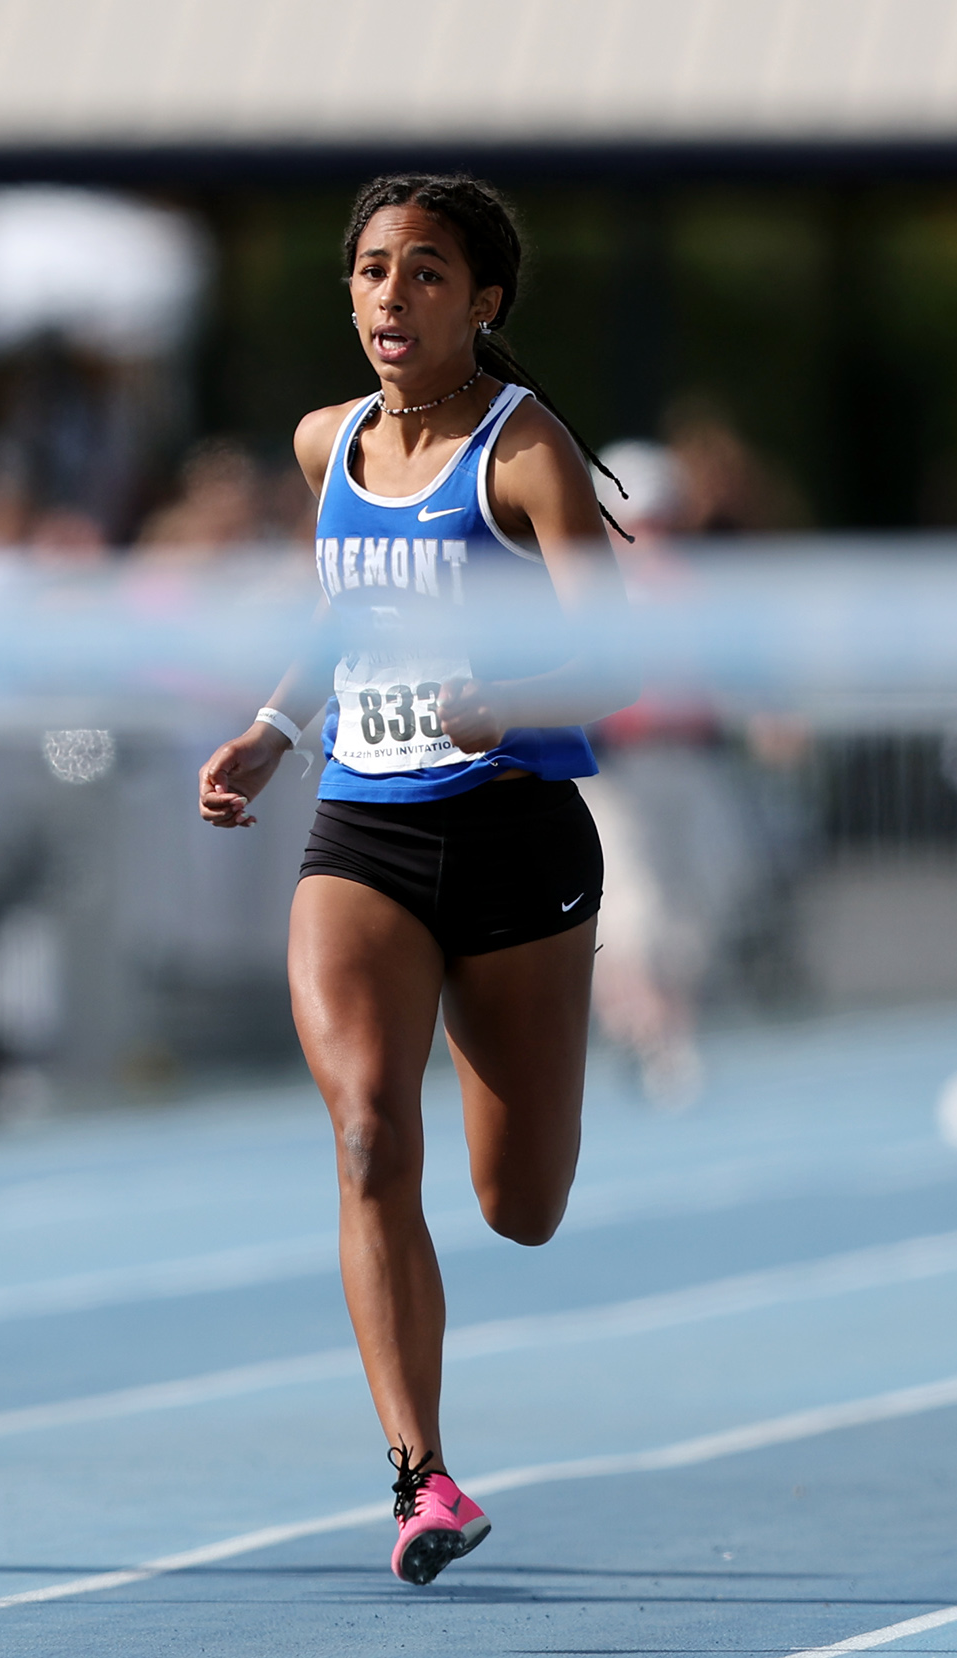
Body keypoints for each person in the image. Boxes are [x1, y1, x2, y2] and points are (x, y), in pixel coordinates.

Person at [196, 175, 633, 1585]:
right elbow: (344, 604)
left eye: (428, 274)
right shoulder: (327, 443)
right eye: (375, 272)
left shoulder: (525, 455)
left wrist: (506, 694)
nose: (394, 297)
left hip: (515, 839)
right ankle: (421, 1473)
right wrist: (272, 730)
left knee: (523, 1203)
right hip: (365, 835)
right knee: (371, 1134)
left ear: (482, 301)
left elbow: (614, 657)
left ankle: (531, 1130)